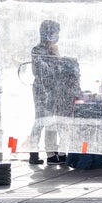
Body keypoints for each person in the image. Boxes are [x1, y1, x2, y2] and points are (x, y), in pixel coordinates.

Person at [29, 20, 81, 165]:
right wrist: (56, 61)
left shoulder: (53, 49)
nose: (57, 35)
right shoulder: (37, 50)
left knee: (53, 120)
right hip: (42, 89)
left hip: (54, 89)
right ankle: (34, 152)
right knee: (40, 120)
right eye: (55, 32)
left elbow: (59, 70)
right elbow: (41, 70)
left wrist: (57, 56)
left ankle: (51, 152)